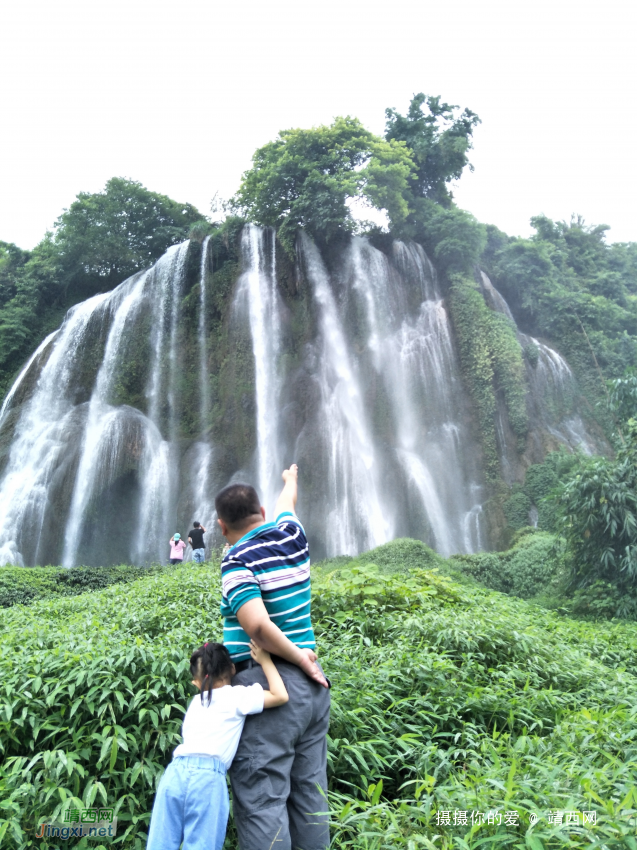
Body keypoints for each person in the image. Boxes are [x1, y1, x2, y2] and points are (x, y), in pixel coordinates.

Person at [215, 463, 330, 850]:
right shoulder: (293, 534)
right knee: (310, 796)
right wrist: (290, 478)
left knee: (264, 801)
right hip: (314, 695)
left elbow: (258, 627)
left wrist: (298, 659)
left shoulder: (236, 560)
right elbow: (288, 502)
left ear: (221, 527)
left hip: (268, 691)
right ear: (262, 514)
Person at [146, 640, 288, 850]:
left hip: (174, 773)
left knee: (160, 844)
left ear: (197, 683)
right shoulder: (237, 695)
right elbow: (280, 696)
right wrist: (265, 661)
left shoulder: (196, 702)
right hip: (207, 779)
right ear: (232, 669)